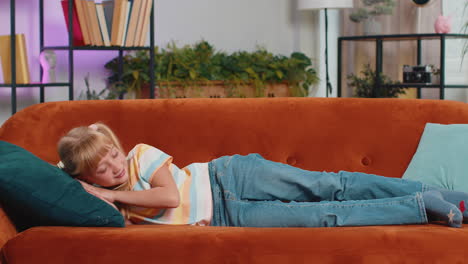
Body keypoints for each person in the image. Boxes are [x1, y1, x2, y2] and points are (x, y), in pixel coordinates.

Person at [57, 123, 468, 228]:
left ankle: (446, 194)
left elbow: (168, 199)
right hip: (228, 220)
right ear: (89, 178)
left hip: (230, 178)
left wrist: (110, 193)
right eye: (102, 170)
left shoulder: (140, 157)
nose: (114, 166)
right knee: (324, 217)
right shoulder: (114, 213)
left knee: (330, 185)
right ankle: (422, 206)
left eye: (111, 154)